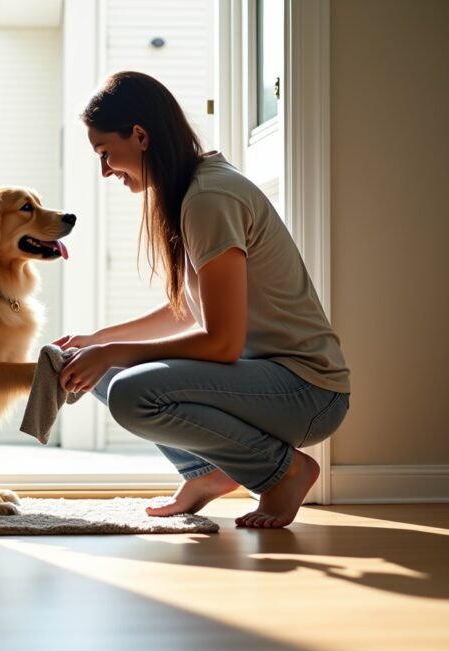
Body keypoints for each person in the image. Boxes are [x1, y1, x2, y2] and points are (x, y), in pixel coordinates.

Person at [55, 71, 350, 529]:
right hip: (266, 382)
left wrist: (114, 352)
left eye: (105, 153)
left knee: (130, 392)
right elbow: (188, 312)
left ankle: (286, 470)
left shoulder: (208, 198)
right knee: (93, 367)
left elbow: (221, 344)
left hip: (307, 391)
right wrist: (98, 342)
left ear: (140, 135)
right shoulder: (192, 191)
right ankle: (207, 472)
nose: (105, 170)